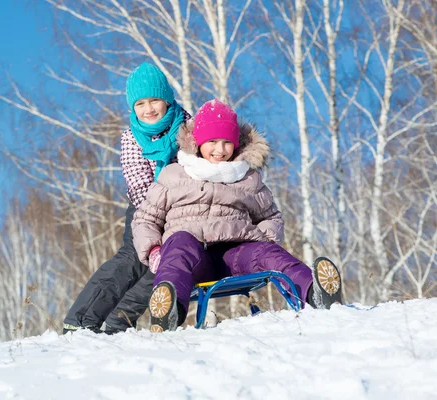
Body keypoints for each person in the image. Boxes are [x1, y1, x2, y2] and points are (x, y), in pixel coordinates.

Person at [132, 99, 343, 332]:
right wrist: (154, 252)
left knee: (268, 253)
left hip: (236, 255)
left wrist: (264, 239)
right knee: (179, 244)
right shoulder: (175, 175)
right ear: (198, 142)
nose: (220, 150)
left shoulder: (247, 178)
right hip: (192, 259)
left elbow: (271, 216)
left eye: (226, 143)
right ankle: (169, 311)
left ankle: (316, 292)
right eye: (212, 142)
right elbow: (145, 219)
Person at [62, 62, 191, 334]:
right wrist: (159, 217)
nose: (149, 109)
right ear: (133, 108)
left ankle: (120, 322)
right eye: (140, 103)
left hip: (185, 209)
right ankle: (81, 319)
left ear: (167, 100)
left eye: (155, 100)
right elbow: (139, 182)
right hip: (146, 207)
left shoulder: (187, 128)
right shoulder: (132, 138)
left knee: (162, 266)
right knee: (133, 258)